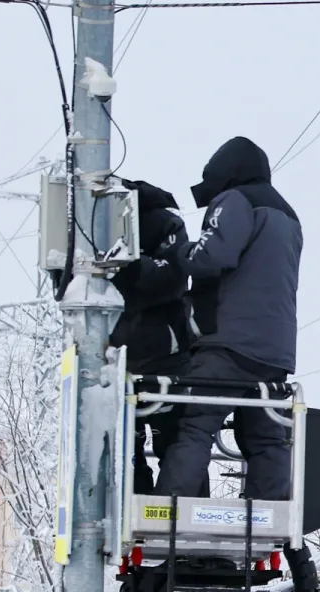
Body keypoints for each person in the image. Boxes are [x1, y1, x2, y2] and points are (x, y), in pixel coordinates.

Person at [154, 136, 302, 501]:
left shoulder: (236, 200)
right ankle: (265, 523)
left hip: (228, 344)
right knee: (267, 439)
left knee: (194, 428)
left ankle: (165, 522)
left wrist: (178, 251)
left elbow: (211, 256)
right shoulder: (288, 215)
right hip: (274, 352)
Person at [107, 180, 196, 493]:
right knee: (124, 452)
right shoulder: (93, 225)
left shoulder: (163, 221)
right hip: (119, 360)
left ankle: (180, 522)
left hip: (165, 358)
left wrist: (126, 265)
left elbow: (171, 274)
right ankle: (135, 522)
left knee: (175, 444)